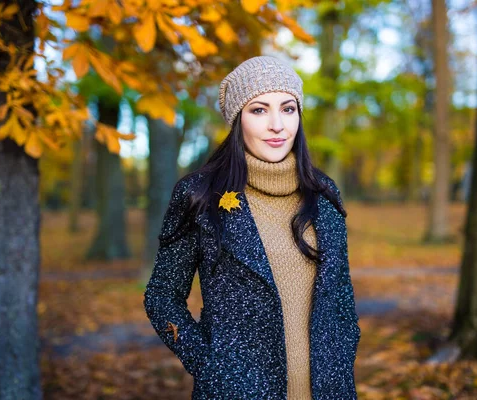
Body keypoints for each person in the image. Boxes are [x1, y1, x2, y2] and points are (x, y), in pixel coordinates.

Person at [143, 55, 360, 399]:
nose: (277, 124)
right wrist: (209, 364)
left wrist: (344, 356)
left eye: (288, 109)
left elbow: (342, 299)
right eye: (259, 110)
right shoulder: (200, 195)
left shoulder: (324, 192)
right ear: (237, 120)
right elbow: (162, 297)